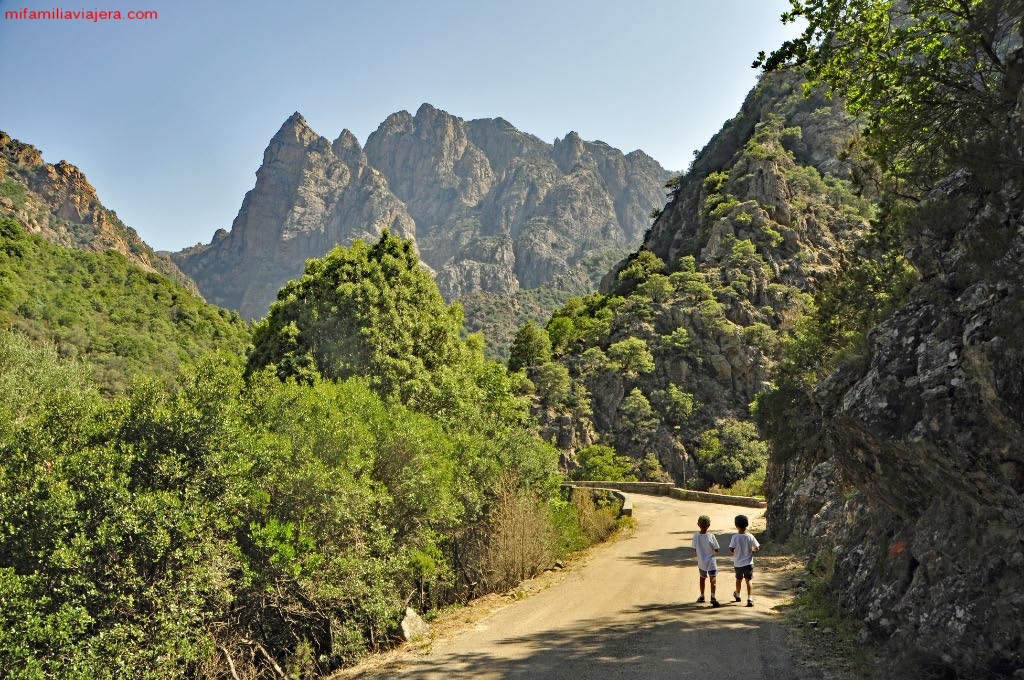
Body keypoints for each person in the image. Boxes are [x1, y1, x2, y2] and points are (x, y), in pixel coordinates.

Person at [729, 514, 760, 607]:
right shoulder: (750, 536)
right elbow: (757, 548)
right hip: (749, 563)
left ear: (736, 525)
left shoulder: (735, 537)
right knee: (749, 580)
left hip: (738, 563)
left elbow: (731, 549)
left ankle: (738, 594)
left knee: (738, 579)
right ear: (747, 524)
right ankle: (750, 598)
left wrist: (736, 551)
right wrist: (751, 550)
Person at [691, 514, 720, 607]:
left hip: (701, 562)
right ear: (709, 525)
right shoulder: (711, 536)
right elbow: (716, 549)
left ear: (698, 525)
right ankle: (713, 596)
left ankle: (702, 595)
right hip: (711, 561)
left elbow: (694, 549)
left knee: (702, 578)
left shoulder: (696, 536)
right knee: (713, 578)